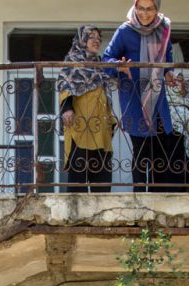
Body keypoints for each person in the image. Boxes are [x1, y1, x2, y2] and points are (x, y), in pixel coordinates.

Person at [103, 0, 177, 189]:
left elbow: (167, 57)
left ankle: (159, 196)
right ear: (135, 8)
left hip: (157, 97)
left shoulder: (163, 29)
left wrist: (169, 72)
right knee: (141, 149)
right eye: (141, 8)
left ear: (157, 9)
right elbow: (106, 59)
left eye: (150, 9)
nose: (145, 13)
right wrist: (119, 66)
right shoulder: (125, 31)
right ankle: (140, 196)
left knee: (161, 150)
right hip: (135, 97)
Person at [58, 25, 115, 193]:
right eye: (92, 37)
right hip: (80, 126)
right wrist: (67, 108)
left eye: (99, 38)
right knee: (78, 184)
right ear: (82, 40)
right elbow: (65, 85)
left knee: (102, 184)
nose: (97, 41)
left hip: (100, 127)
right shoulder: (72, 61)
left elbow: (107, 89)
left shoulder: (100, 64)